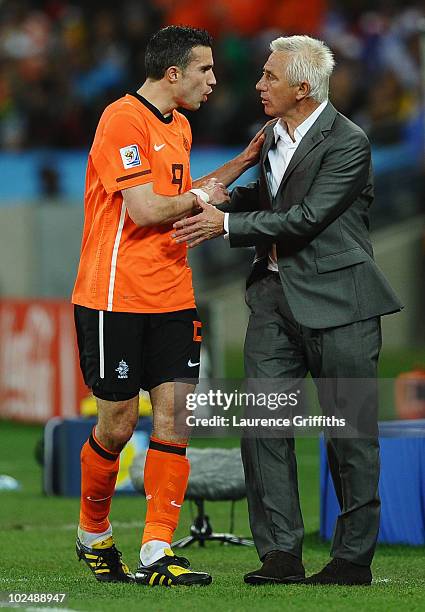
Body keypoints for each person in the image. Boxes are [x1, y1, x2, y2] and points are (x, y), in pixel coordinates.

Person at [173, 34, 403, 586]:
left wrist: (224, 224)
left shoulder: (349, 141)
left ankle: (351, 560)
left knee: (349, 434)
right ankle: (280, 553)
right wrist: (232, 197)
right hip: (274, 301)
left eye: (268, 77)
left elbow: (307, 217)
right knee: (264, 427)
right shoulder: (273, 135)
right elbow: (274, 199)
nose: (257, 85)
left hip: (340, 302)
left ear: (303, 87)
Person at [72, 25, 263, 587]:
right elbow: (146, 211)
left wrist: (243, 161)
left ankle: (158, 549)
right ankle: (94, 531)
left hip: (173, 293)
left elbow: (185, 195)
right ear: (174, 73)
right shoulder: (121, 119)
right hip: (114, 296)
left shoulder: (178, 125)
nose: (214, 80)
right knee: (118, 422)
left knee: (177, 416)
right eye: (205, 69)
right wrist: (205, 195)